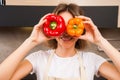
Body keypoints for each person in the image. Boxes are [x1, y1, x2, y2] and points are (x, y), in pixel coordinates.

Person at [0, 3, 120, 80]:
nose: (66, 32)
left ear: (81, 29)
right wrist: (31, 41)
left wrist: (100, 41)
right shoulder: (39, 58)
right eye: (60, 25)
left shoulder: (91, 60)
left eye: (72, 26)